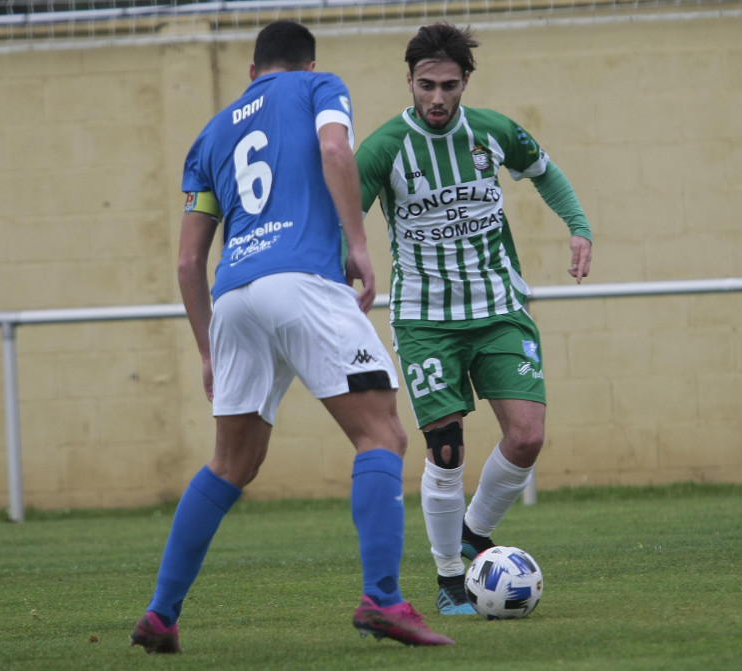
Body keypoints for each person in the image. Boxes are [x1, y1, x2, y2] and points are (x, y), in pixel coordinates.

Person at [129, 20, 453, 652]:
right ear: (307, 66)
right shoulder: (318, 88)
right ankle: (383, 600)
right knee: (381, 433)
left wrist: (206, 347)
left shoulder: (210, 135)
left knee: (233, 462)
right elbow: (336, 152)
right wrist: (358, 246)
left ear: (253, 72)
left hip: (234, 298)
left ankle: (162, 614)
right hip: (303, 279)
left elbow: (188, 262)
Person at [355, 23, 593, 616]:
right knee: (446, 453)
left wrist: (579, 228)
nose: (437, 98)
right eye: (426, 85)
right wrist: (342, 275)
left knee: (528, 435)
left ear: (466, 83)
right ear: (409, 82)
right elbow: (345, 221)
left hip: (499, 310)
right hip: (426, 320)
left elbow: (546, 173)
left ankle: (473, 533)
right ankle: (450, 579)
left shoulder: (493, 132)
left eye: (449, 86)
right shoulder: (383, 148)